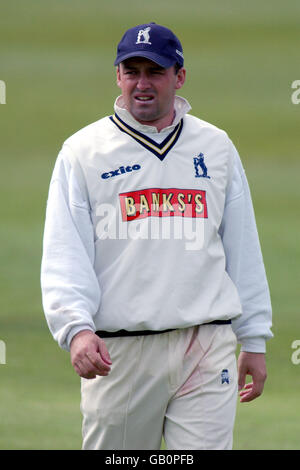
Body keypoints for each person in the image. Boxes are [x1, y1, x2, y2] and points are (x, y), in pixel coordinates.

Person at [41, 22, 273, 450]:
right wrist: (75, 329)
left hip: (207, 343)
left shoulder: (216, 146)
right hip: (121, 354)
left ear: (179, 76)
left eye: (155, 71)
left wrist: (253, 338)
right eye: (132, 72)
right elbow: (64, 250)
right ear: (118, 76)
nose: (142, 84)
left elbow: (242, 245)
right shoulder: (83, 152)